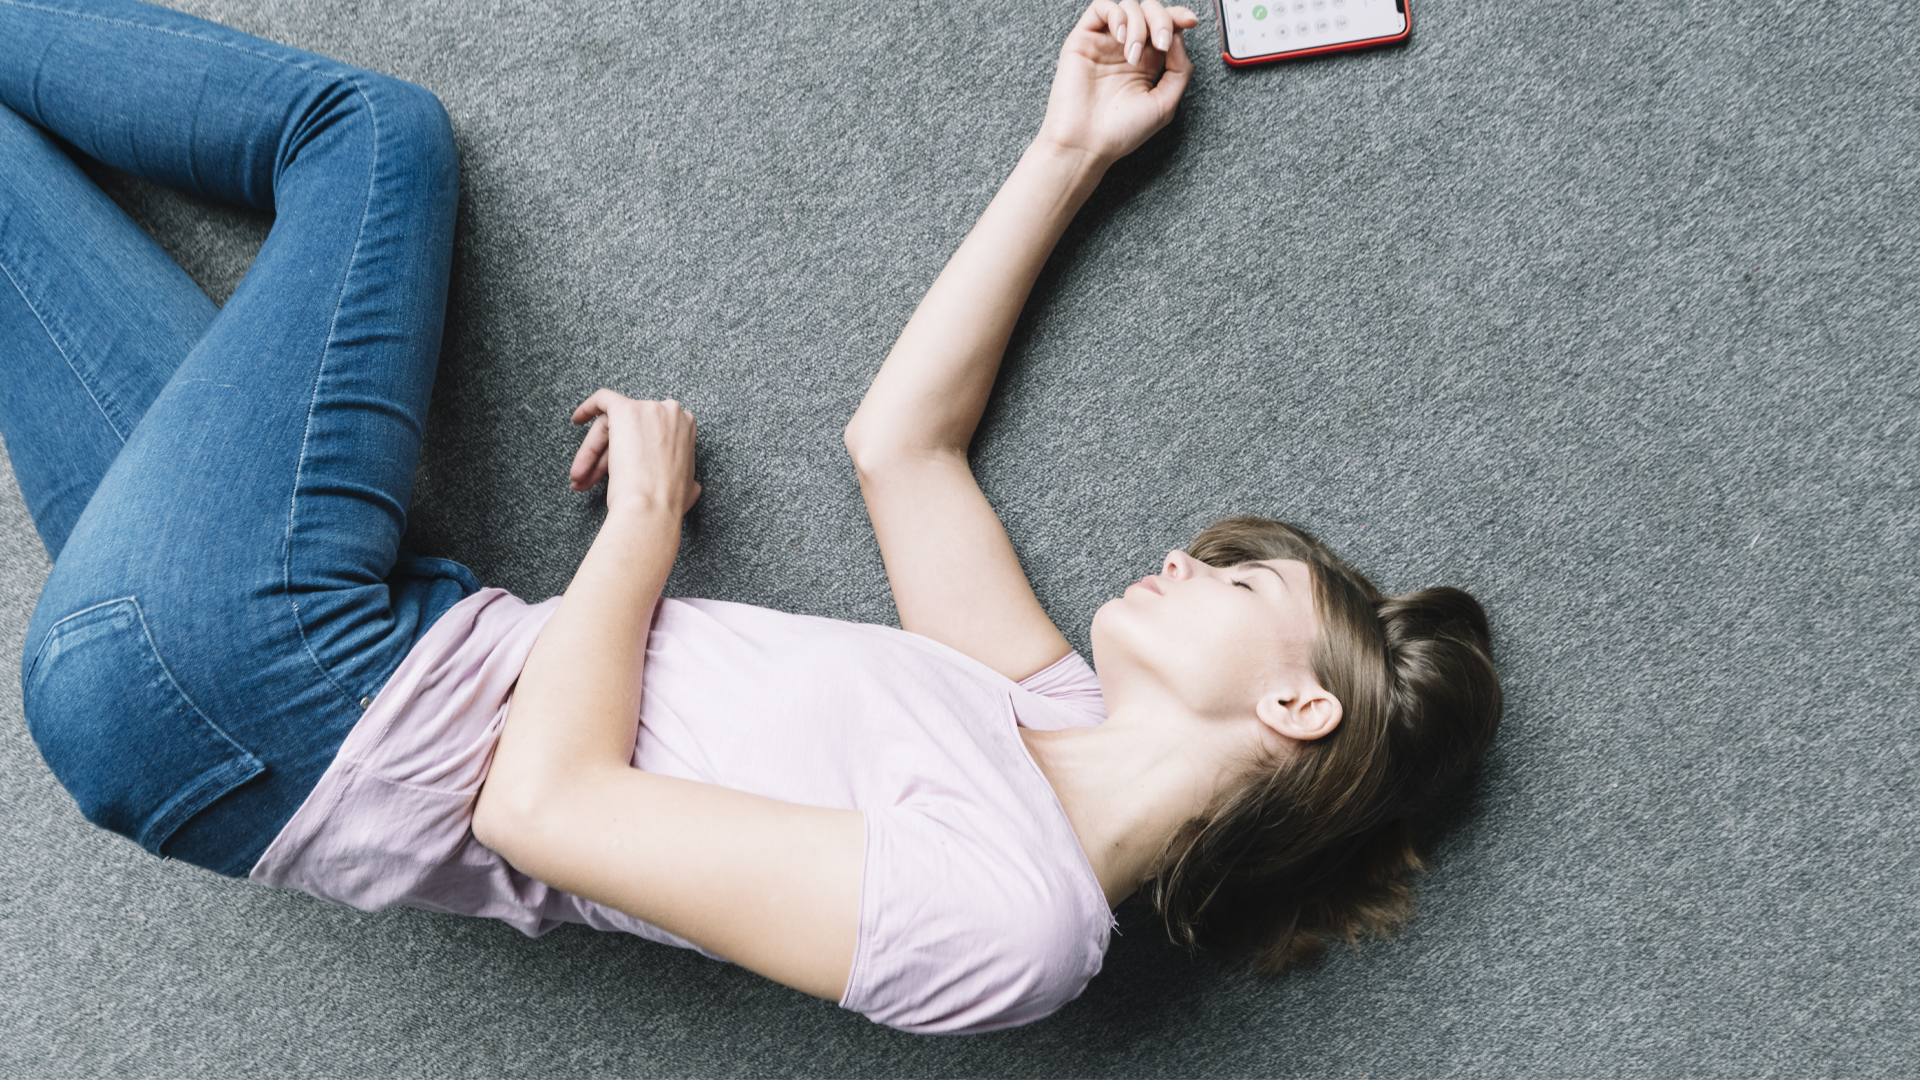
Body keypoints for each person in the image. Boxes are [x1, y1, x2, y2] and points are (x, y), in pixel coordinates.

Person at [0, 0, 1501, 1035]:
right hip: (265, 674)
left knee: (374, 137)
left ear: (1297, 705)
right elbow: (902, 447)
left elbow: (543, 810)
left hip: (289, 689)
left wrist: (642, 529)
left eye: (1240, 583)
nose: (1186, 557)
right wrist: (1074, 148)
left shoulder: (1018, 925)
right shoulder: (1045, 710)